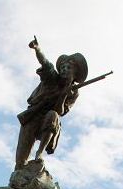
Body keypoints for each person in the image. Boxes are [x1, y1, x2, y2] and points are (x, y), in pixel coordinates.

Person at [15, 37, 88, 170]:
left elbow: (60, 112)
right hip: (33, 116)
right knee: (20, 162)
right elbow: (46, 63)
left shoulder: (74, 93)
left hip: (48, 122)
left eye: (68, 67)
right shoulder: (52, 77)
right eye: (62, 67)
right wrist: (37, 49)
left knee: (53, 115)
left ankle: (39, 153)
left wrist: (64, 95)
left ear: (75, 73)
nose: (64, 69)